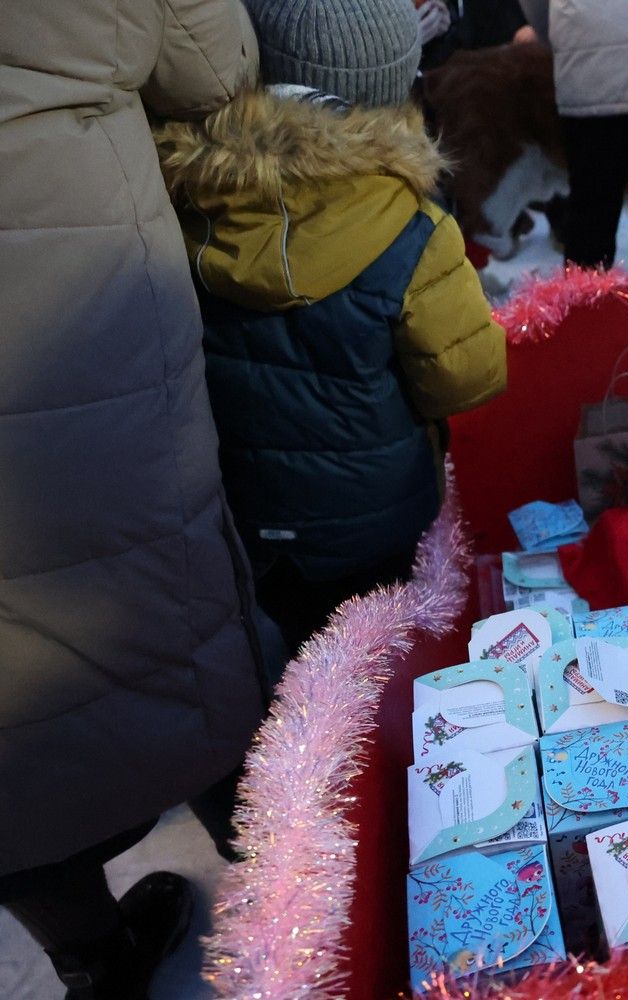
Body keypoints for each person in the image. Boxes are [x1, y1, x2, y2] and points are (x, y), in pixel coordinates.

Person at [0, 1, 269, 995]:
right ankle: (294, 889)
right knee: (163, 594)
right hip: (69, 274)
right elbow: (213, 66)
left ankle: (91, 957)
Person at [155, 0, 509, 654]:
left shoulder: (186, 202)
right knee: (372, 674)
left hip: (242, 513)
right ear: (392, 82)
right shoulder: (411, 225)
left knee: (283, 664)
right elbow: (467, 381)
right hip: (379, 523)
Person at [518, 0, 628, 277]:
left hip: (587, 71)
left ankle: (584, 301)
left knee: (590, 217)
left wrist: (561, 40)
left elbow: (535, 7)